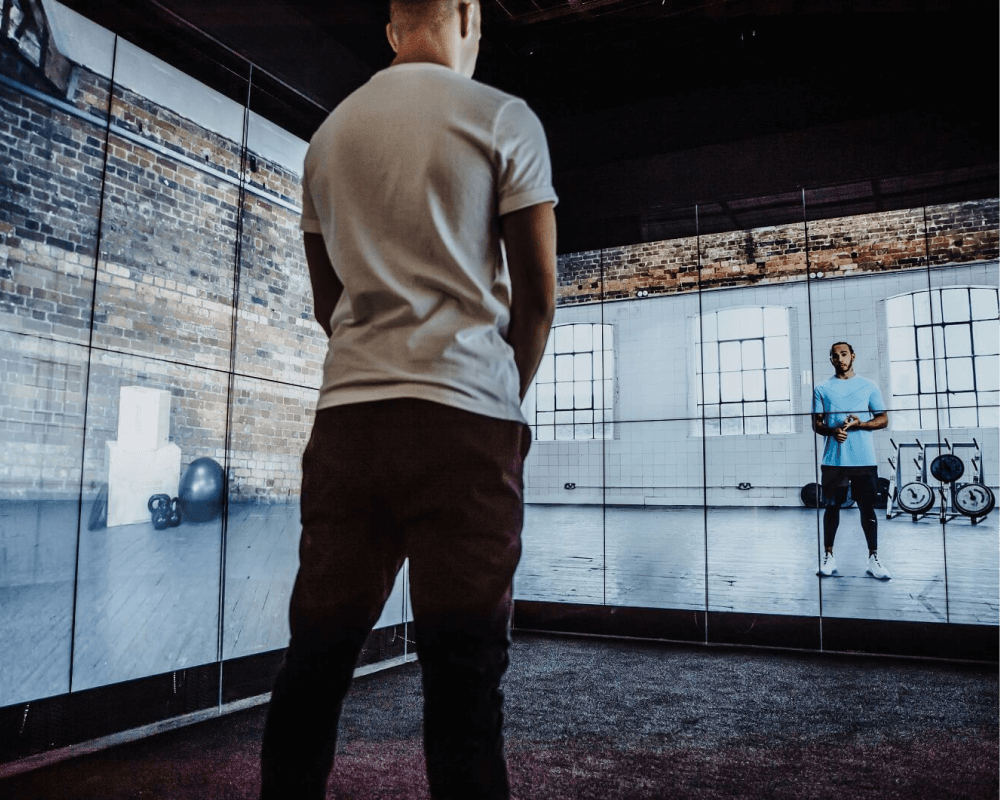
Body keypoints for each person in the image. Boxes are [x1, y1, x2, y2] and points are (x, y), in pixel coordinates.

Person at [259, 1, 558, 798]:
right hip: (465, 429)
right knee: (463, 689)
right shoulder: (503, 117)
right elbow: (539, 299)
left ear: (393, 28)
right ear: (466, 14)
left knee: (315, 665)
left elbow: (330, 306)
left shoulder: (330, 138)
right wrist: (497, 392)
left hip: (350, 425)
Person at [812, 342, 891, 580]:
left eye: (844, 354)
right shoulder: (821, 389)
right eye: (835, 355)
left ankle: (873, 559)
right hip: (834, 461)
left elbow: (883, 419)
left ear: (853, 356)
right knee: (832, 507)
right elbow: (817, 424)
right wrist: (833, 430)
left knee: (867, 508)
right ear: (831, 360)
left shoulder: (869, 386)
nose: (840, 358)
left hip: (864, 460)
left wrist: (860, 425)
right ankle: (828, 557)